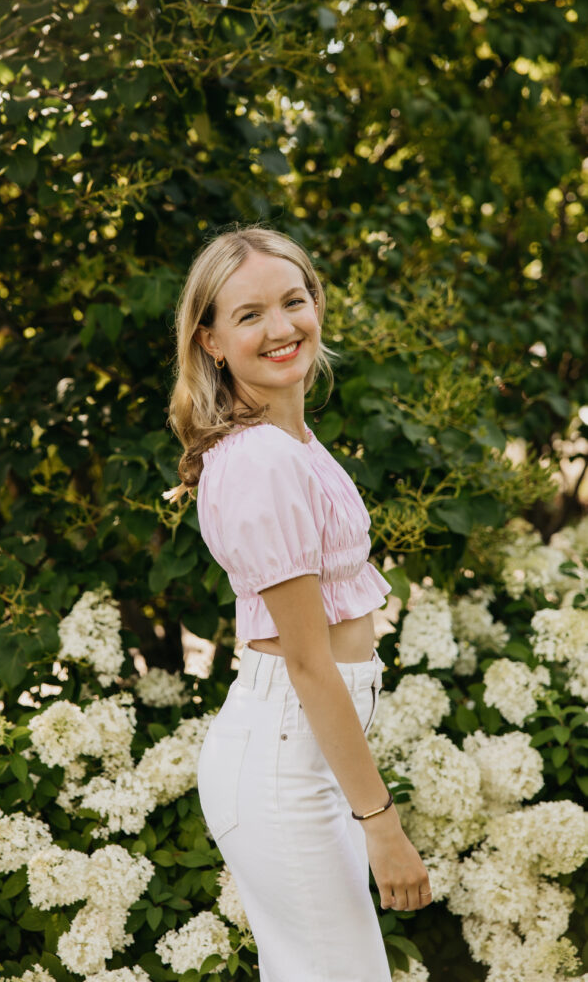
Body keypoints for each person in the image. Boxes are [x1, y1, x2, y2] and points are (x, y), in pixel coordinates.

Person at [165, 225, 432, 981]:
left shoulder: (290, 443)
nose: (281, 328)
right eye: (248, 315)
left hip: (300, 761)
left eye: (293, 301)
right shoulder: (261, 464)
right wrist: (381, 826)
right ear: (210, 341)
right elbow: (310, 666)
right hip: (284, 770)